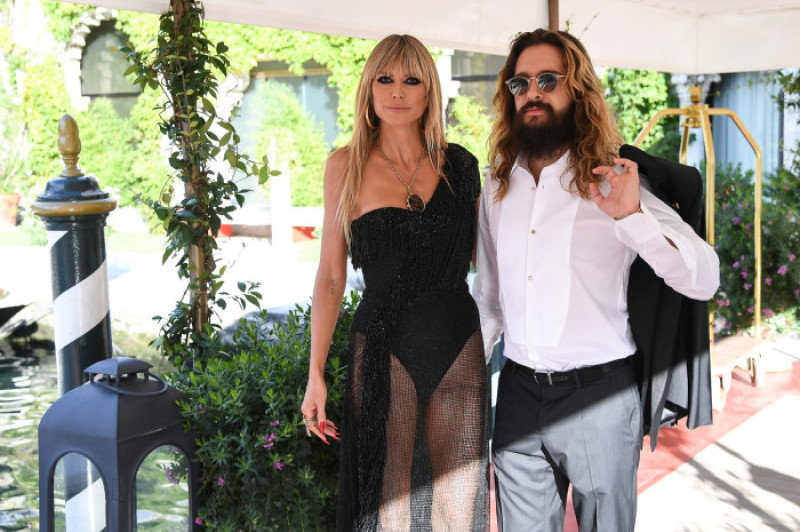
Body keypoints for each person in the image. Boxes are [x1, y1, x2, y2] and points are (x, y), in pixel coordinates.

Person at [472, 29, 720, 532]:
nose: (532, 93)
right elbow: (490, 301)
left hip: (599, 399)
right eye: (520, 83)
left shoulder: (614, 180)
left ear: (578, 90)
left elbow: (704, 278)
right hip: (517, 396)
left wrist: (631, 217)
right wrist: (457, 379)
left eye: (548, 80)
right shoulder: (496, 187)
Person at [300, 34, 488, 531]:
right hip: (386, 348)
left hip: (457, 344)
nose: (397, 91)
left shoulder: (462, 166)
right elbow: (331, 276)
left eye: (411, 79)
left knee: (458, 506)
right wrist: (315, 373)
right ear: (369, 88)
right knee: (390, 507)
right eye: (385, 79)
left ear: (430, 91)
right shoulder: (345, 166)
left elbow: (490, 258)